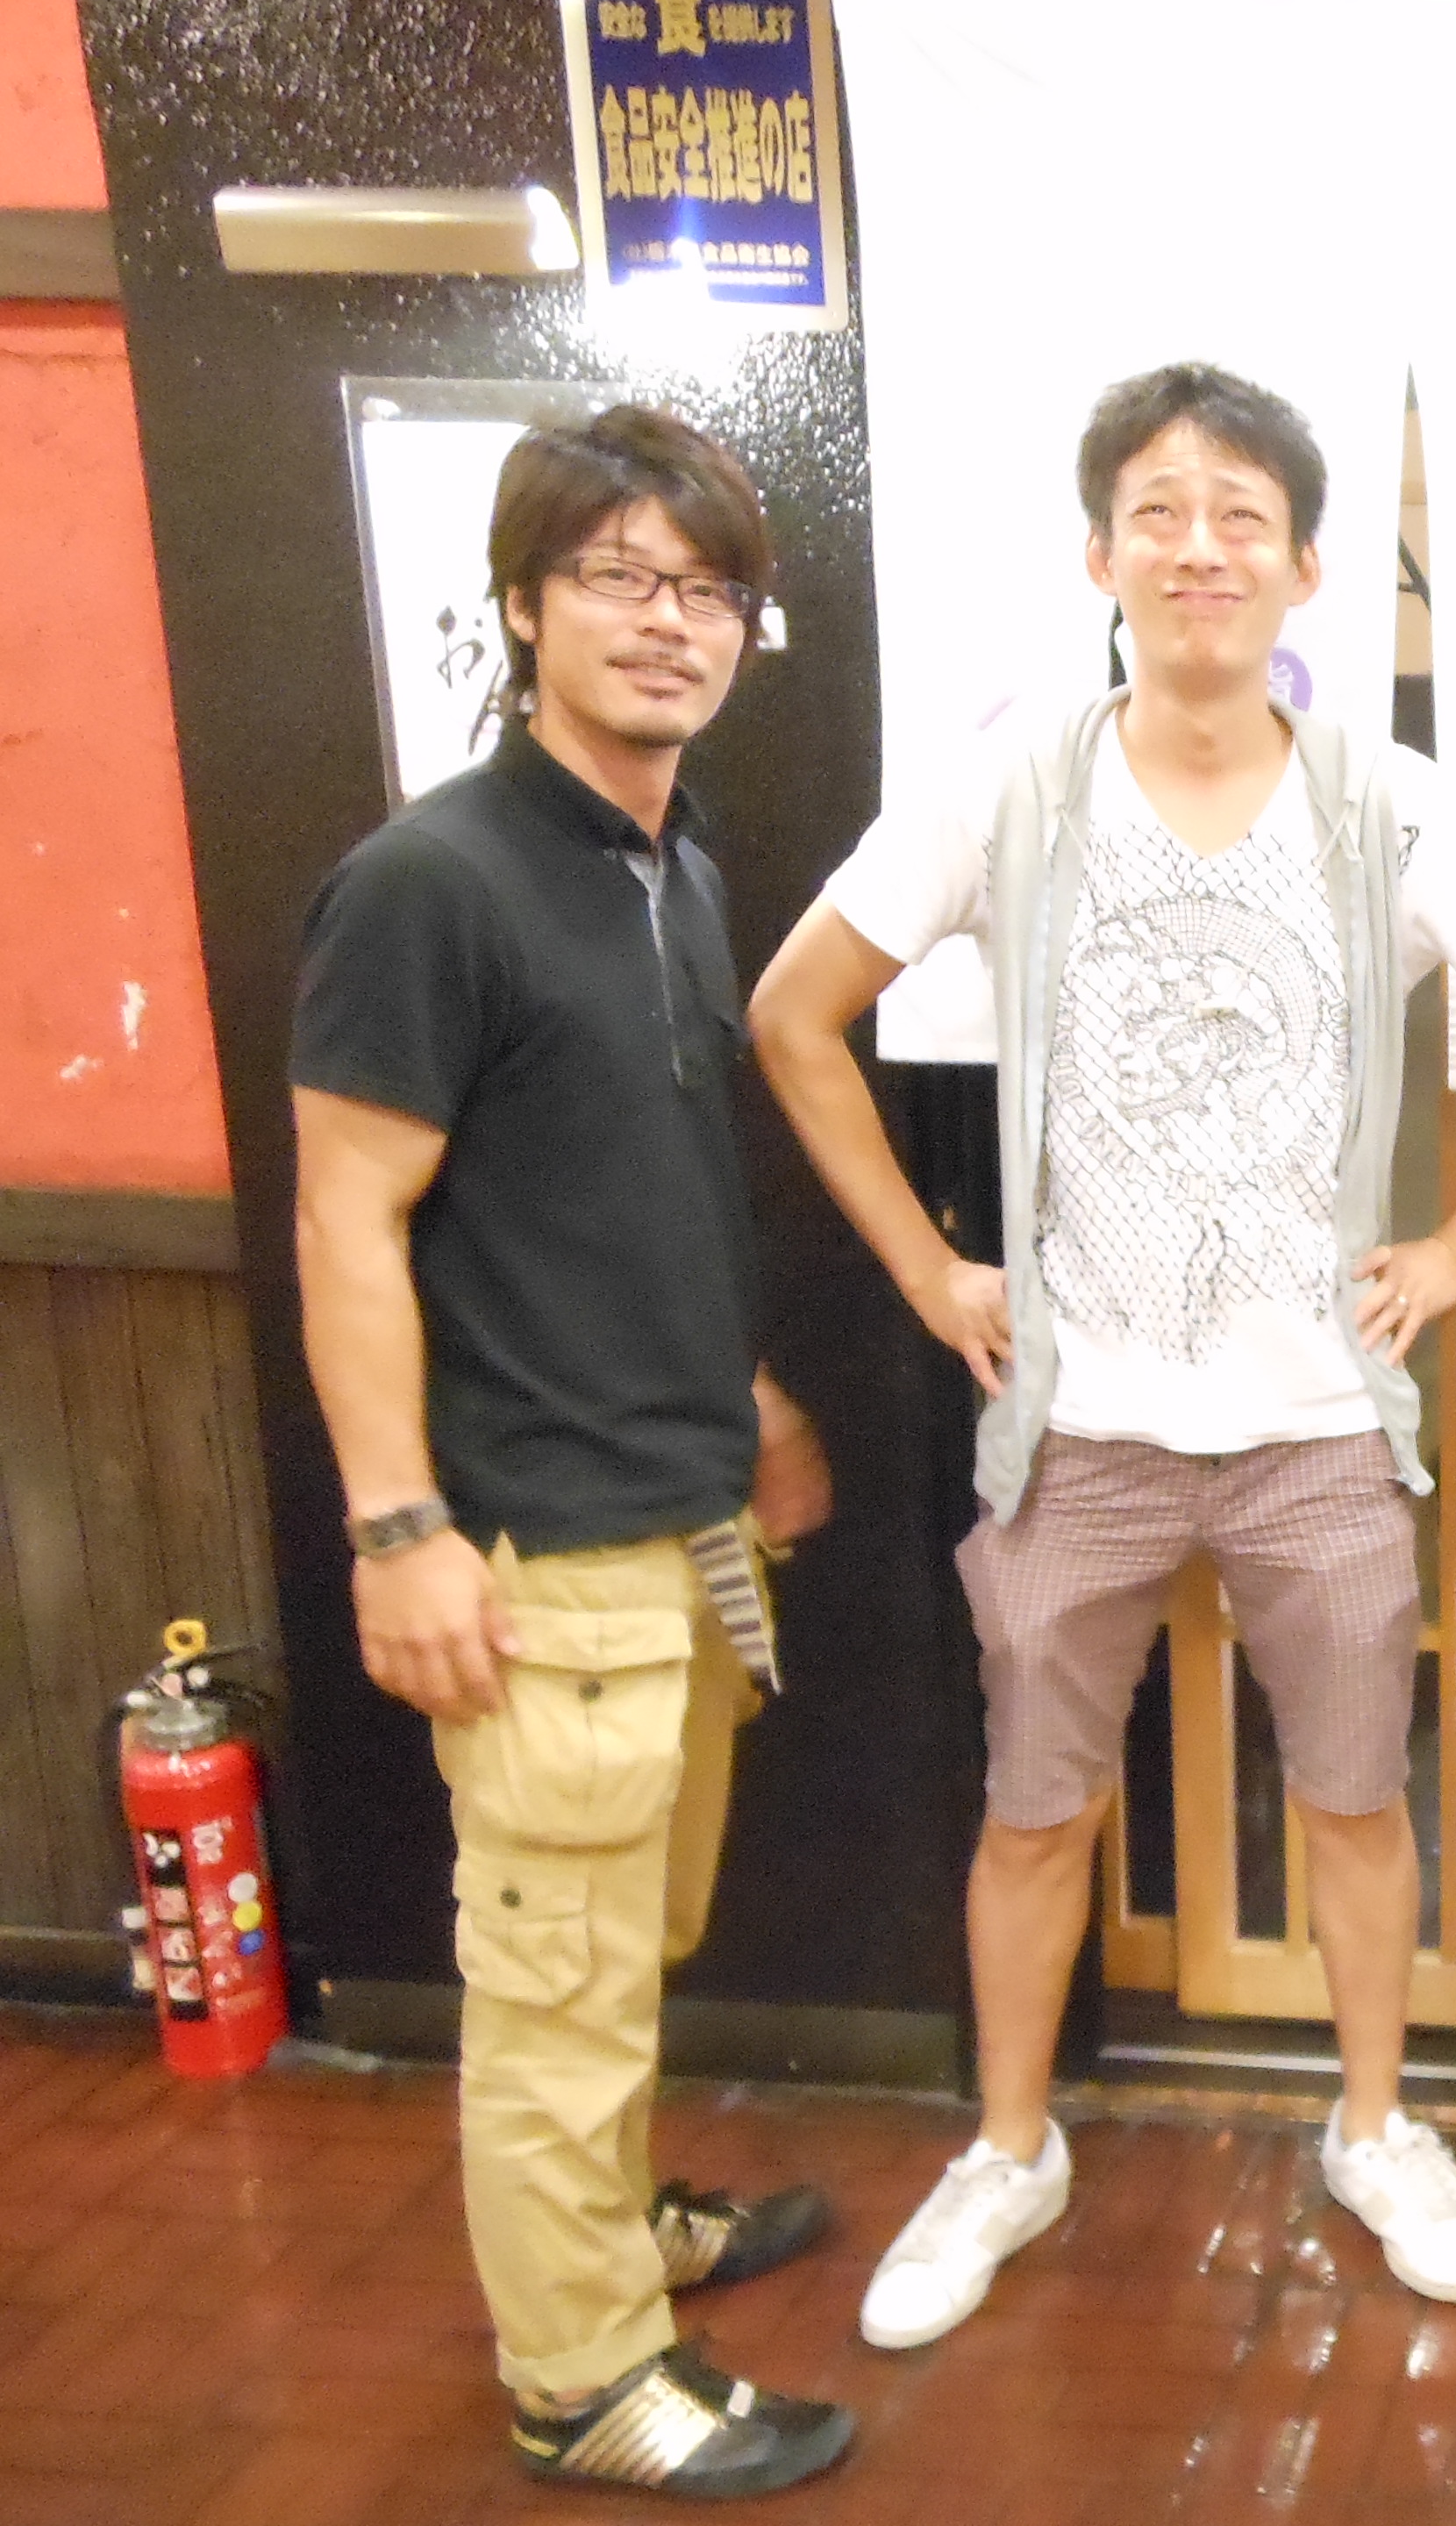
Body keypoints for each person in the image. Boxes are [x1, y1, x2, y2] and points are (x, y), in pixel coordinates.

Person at [751, 361, 1456, 2347]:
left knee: (1356, 1798)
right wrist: (928, 1271)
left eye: (1243, 514)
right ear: (1099, 557)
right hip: (1081, 1418)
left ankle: (1376, 2123)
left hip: (1319, 1418)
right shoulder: (1010, 786)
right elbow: (796, 1014)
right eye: (1158, 510)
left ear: (1308, 568)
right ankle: (1010, 2149)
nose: (1200, 546)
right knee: (1033, 1805)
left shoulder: (1390, 805)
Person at [291, 405, 851, 2500]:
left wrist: (751, 1401)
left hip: (676, 1516)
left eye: (706, 589)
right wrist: (397, 1527)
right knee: (553, 1992)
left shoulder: (668, 866)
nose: (666, 622)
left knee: (627, 1943)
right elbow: (345, 1219)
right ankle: (584, 2376)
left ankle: (613, 2227)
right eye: (615, 575)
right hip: (536, 1549)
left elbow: (623, 1194)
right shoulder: (430, 881)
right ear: (522, 605)